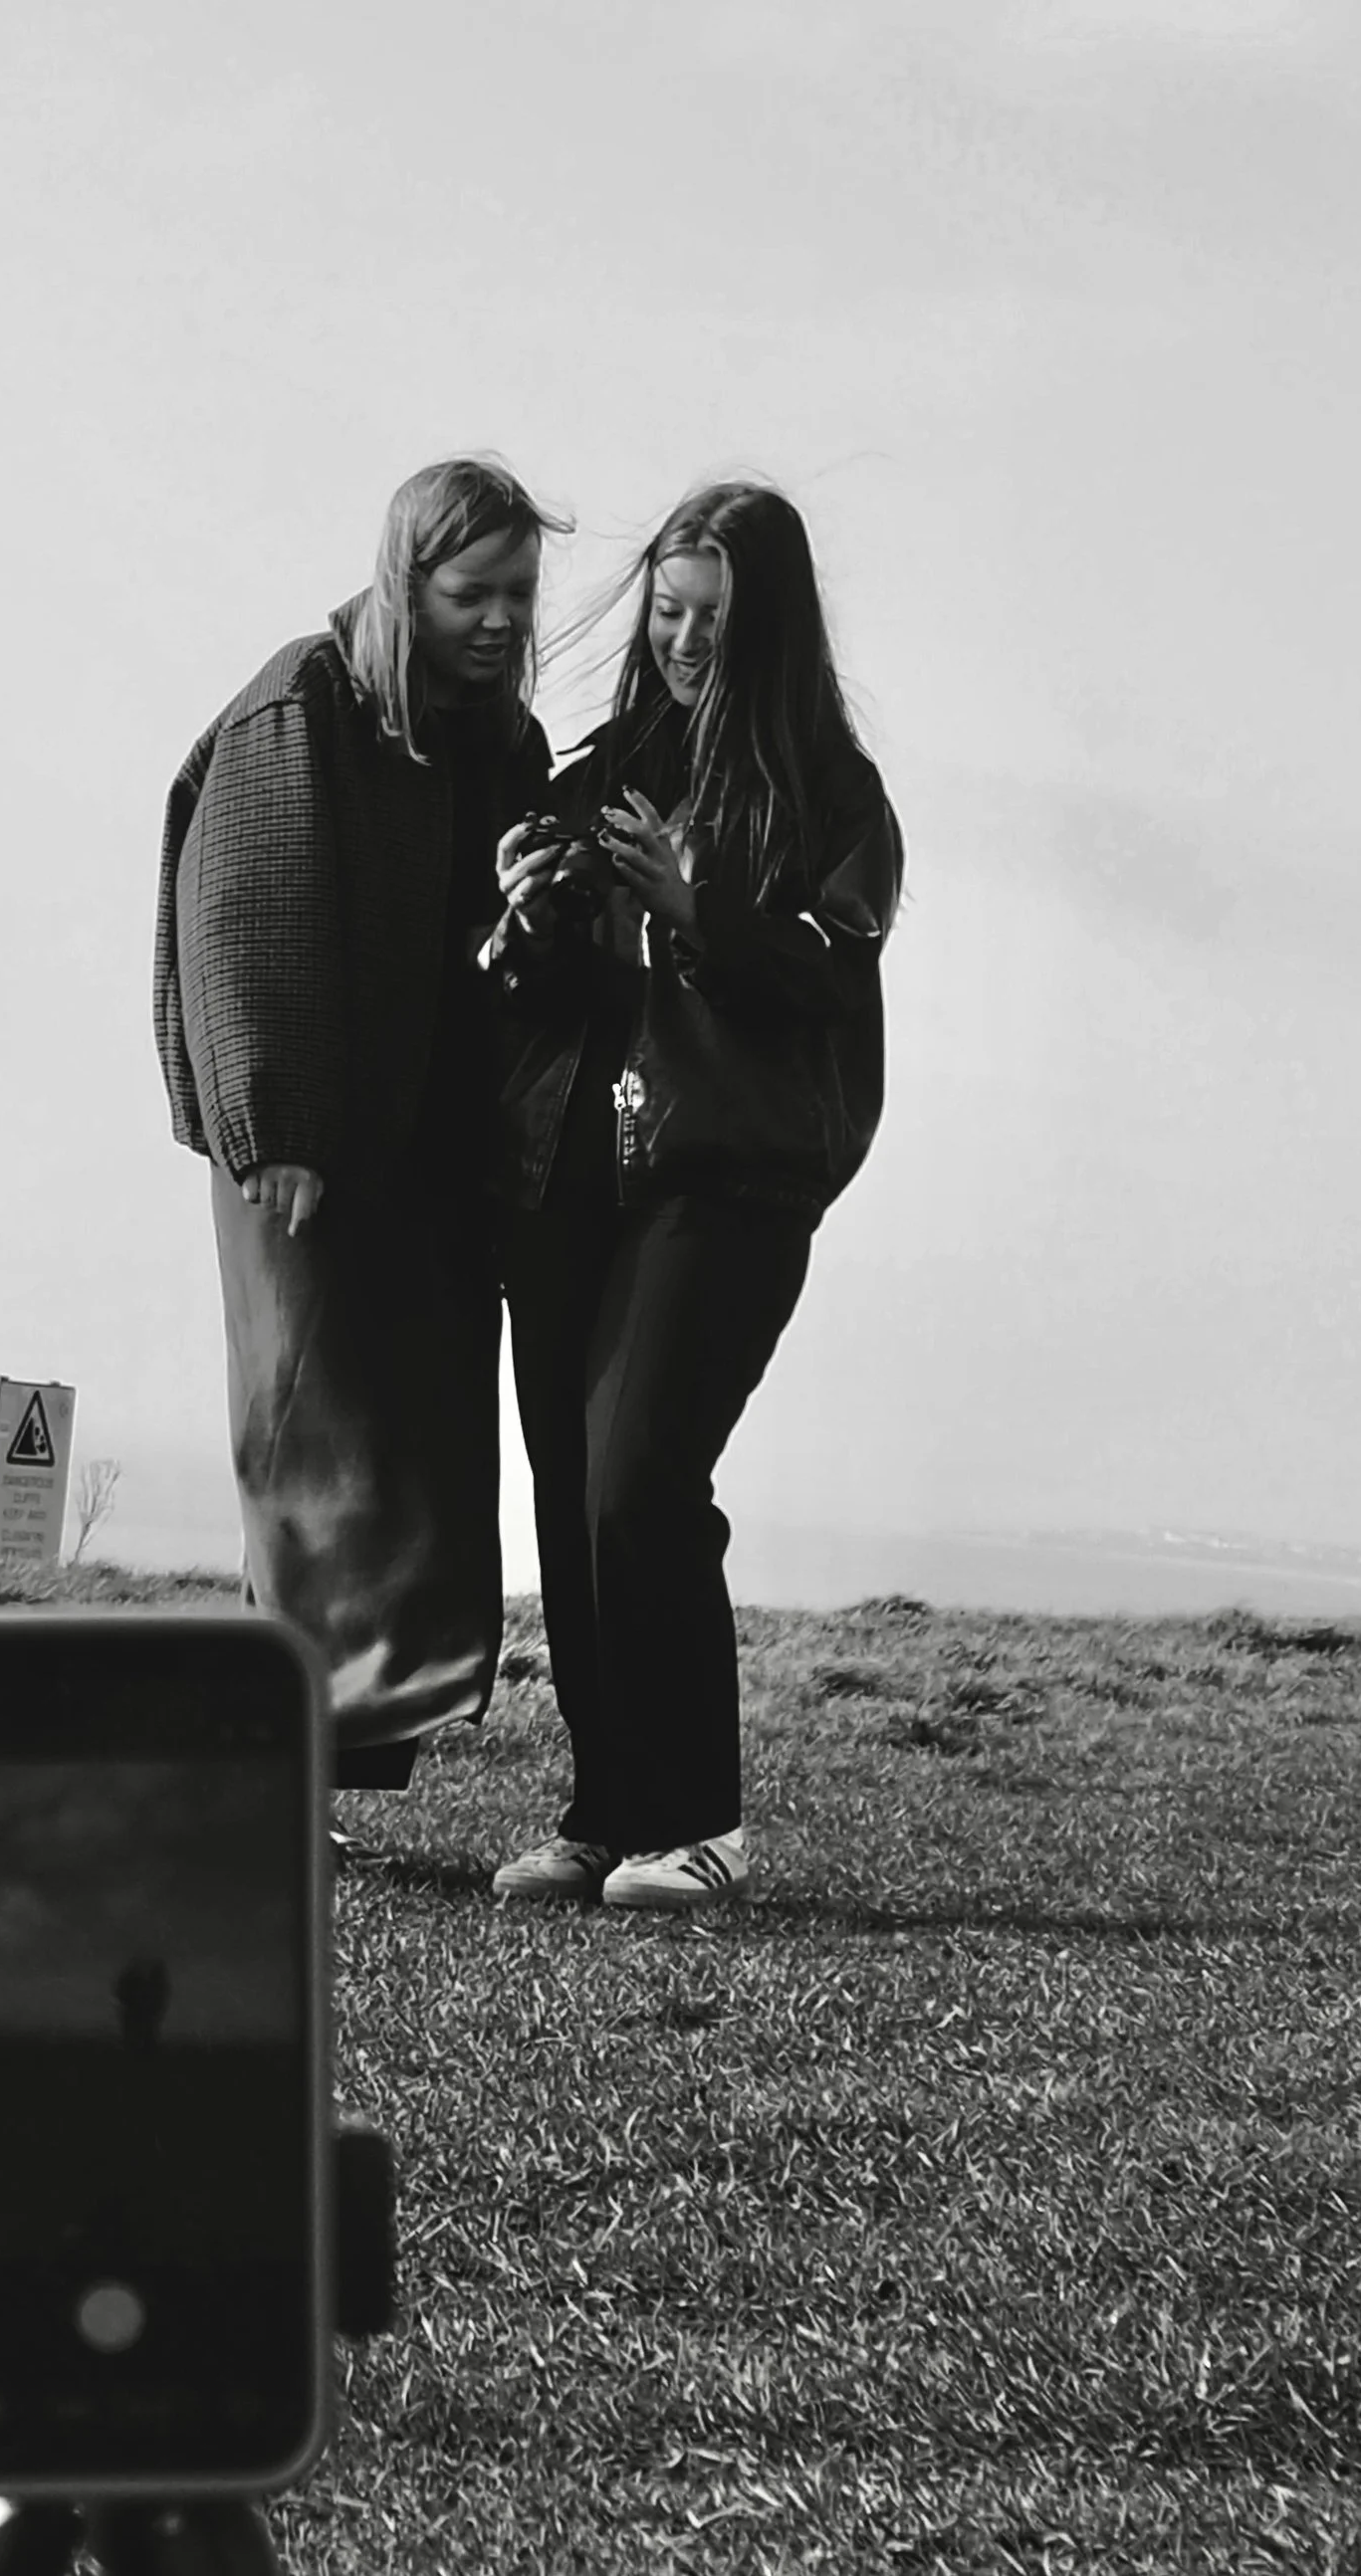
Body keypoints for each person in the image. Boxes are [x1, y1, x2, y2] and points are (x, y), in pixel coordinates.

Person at [487, 481, 903, 1911]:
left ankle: (702, 1826)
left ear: (768, 625)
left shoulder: (833, 798)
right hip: (568, 1183)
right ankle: (609, 1816)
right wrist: (525, 916)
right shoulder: (598, 769)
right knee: (571, 1497)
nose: (681, 641)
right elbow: (539, 991)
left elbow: (828, 979)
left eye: (713, 619)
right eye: (666, 611)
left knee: (641, 1479)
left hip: (722, 1186)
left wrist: (698, 912)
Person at [153, 457, 563, 1792]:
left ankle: (357, 1742)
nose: (500, 619)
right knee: (309, 1444)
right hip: (304, 1159)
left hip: (429, 1156)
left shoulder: (497, 738)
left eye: (517, 592)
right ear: (409, 581)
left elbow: (485, 946)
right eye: (471, 593)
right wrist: (278, 1128)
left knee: (413, 1450)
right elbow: (248, 919)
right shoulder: (303, 706)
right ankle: (289, 1747)